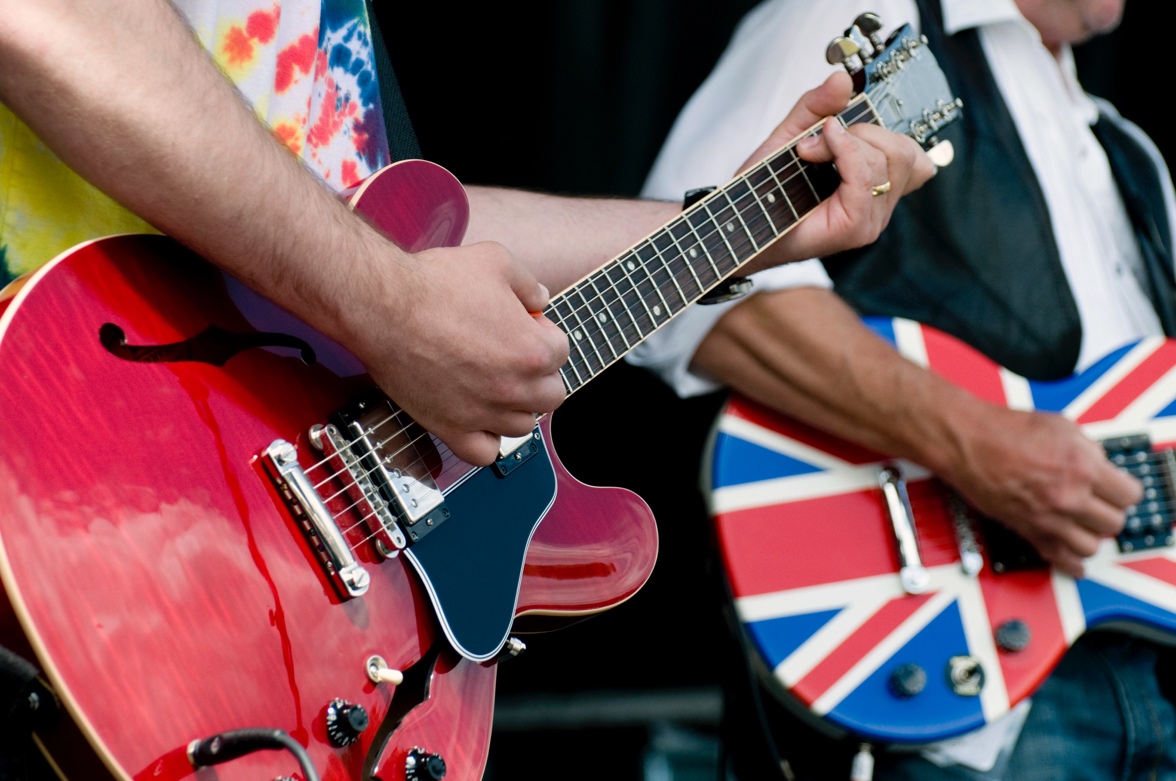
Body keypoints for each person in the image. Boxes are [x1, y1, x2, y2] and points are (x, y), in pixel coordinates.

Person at [0, 0, 935, 776]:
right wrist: (387, 303)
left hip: (241, 571)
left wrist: (739, 230)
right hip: (77, 466)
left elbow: (384, 234)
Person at [627, 0, 1176, 778]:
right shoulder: (869, 21)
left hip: (1142, 667)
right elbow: (680, 278)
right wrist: (975, 441)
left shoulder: (1126, 151)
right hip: (953, 689)